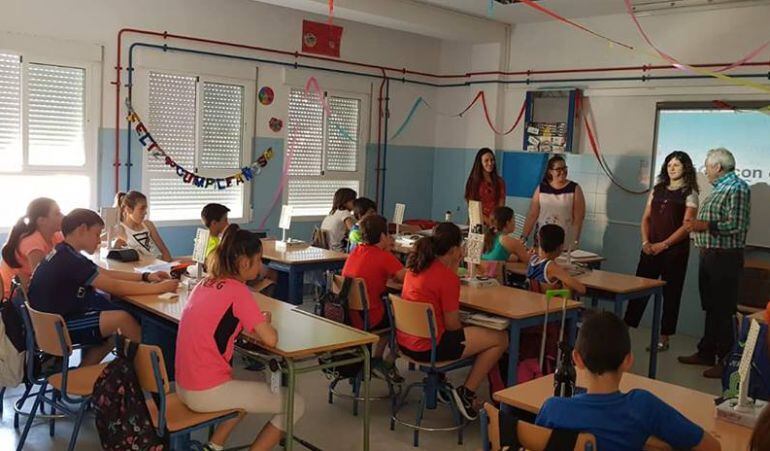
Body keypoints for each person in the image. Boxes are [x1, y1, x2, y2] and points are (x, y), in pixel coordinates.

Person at [175, 224, 305, 451]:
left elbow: (222, 323)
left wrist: (252, 322)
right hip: (207, 391)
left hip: (183, 386)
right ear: (245, 263)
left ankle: (214, 445)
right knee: (297, 403)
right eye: (259, 260)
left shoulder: (204, 283)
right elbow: (271, 340)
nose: (261, 266)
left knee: (249, 388)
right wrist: (265, 325)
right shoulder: (238, 291)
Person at [536, 311, 721, 451]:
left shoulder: (552, 409)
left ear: (577, 359)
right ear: (628, 361)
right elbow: (712, 447)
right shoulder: (643, 407)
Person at [28, 209, 177, 366]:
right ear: (82, 229)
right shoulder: (71, 261)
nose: (99, 240)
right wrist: (160, 288)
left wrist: (145, 277)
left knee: (115, 329)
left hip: (50, 324)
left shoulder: (64, 252)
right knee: (122, 319)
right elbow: (115, 287)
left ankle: (85, 373)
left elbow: (105, 273)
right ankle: (152, 373)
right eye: (97, 234)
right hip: (57, 327)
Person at [398, 222, 508, 421]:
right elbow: (452, 326)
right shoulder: (447, 278)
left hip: (406, 343)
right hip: (431, 347)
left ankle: (443, 381)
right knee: (500, 338)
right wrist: (470, 326)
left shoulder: (415, 268)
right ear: (456, 249)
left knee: (473, 332)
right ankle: (467, 392)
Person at [679, 148, 751, 379]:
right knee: (711, 307)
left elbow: (737, 225)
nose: (705, 171)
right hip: (710, 255)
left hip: (725, 257)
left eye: (707, 166)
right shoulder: (719, 189)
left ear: (718, 167)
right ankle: (706, 352)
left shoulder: (737, 188)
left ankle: (726, 361)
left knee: (723, 310)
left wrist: (704, 225)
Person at [625, 151, 699, 352]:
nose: (672, 168)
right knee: (638, 290)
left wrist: (665, 244)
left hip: (674, 252)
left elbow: (687, 226)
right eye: (669, 165)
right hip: (650, 249)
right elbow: (646, 218)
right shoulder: (657, 190)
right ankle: (625, 332)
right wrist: (645, 242)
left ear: (686, 168)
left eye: (676, 165)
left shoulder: (690, 193)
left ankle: (664, 337)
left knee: (671, 295)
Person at [341, 214, 406, 381]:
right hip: (370, 318)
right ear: (383, 236)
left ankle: (376, 360)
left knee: (390, 312)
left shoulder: (356, 251)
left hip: (350, 315)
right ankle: (385, 361)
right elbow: (406, 278)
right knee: (406, 322)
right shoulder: (383, 256)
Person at [0, 198, 64, 299]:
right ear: (41, 221)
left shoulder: (56, 236)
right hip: (13, 299)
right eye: (57, 213)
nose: (63, 216)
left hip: (29, 292)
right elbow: (42, 281)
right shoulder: (32, 242)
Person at [521, 155, 586, 250]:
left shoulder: (574, 188)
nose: (563, 172)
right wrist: (524, 237)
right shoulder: (541, 188)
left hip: (564, 240)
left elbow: (578, 219)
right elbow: (532, 214)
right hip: (542, 240)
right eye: (558, 169)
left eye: (564, 168)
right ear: (550, 171)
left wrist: (574, 241)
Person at [527, 224, 586, 295]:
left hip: (532, 300)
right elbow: (581, 289)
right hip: (549, 303)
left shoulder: (533, 259)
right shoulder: (552, 267)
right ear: (561, 247)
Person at [114, 191, 172, 261]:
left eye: (146, 208)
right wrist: (114, 247)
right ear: (128, 210)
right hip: (142, 268)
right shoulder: (121, 229)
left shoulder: (148, 224)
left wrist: (168, 266)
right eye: (142, 208)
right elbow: (99, 240)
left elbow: (164, 251)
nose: (145, 212)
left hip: (159, 264)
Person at [481, 206, 529, 279]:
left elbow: (497, 256)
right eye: (514, 220)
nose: (515, 223)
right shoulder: (509, 240)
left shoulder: (488, 236)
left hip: (482, 277)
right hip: (496, 281)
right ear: (508, 222)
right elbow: (530, 261)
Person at [464, 148, 506, 227]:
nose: (490, 163)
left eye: (492, 160)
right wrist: (488, 221)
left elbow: (501, 205)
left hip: (495, 223)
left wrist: (495, 222)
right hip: (476, 223)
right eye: (486, 160)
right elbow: (472, 206)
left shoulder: (500, 182)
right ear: (480, 163)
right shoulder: (473, 182)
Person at [321, 188, 357, 252]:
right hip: (337, 251)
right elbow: (354, 231)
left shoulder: (332, 213)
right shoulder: (344, 213)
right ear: (345, 201)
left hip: (326, 250)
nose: (355, 203)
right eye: (353, 200)